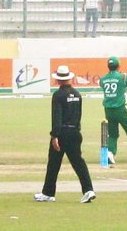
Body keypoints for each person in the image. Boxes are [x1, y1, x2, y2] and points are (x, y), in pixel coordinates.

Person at [35, 65, 95, 203]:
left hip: (62, 133)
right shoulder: (77, 94)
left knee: (53, 163)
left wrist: (54, 135)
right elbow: (79, 115)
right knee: (79, 163)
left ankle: (48, 193)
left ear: (58, 80)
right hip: (75, 132)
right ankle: (88, 190)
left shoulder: (58, 95)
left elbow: (57, 117)